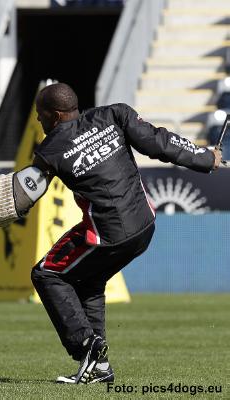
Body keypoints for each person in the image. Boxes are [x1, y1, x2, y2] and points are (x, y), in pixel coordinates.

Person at [28, 83, 222, 384]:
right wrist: (206, 158)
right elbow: (160, 143)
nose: (38, 121)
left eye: (40, 115)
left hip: (108, 234)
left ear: (53, 116)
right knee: (90, 280)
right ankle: (100, 369)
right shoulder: (114, 115)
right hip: (144, 226)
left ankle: (85, 345)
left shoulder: (49, 149)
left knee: (47, 274)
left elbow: (24, 195)